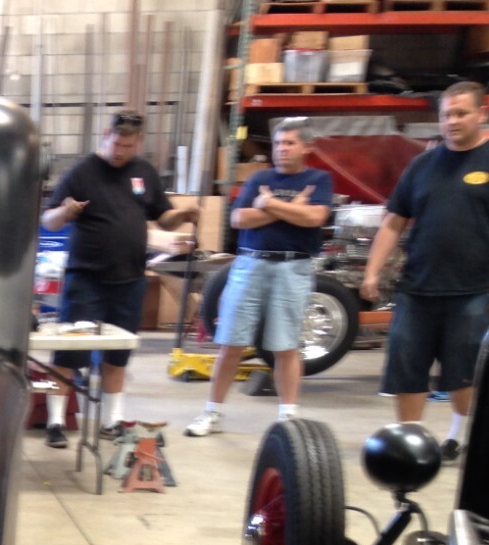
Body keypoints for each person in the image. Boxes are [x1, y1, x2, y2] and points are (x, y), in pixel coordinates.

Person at [40, 111, 200, 448]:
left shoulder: (144, 172)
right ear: (106, 134)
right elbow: (49, 220)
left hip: (129, 280)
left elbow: (164, 219)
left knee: (118, 355)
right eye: (116, 144)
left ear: (138, 141)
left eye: (128, 146)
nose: (120, 151)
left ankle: (111, 421)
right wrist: (66, 211)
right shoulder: (82, 171)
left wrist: (183, 214)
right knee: (69, 354)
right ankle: (55, 422)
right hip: (86, 279)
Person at [363, 80, 489, 462]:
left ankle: (460, 435)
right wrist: (373, 271)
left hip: (473, 291)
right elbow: (393, 222)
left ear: (482, 113)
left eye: (461, 113)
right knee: (406, 371)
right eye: (446, 115)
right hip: (416, 289)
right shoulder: (422, 165)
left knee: (464, 373)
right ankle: (411, 445)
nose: (452, 121)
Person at [185, 118, 333, 436]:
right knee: (231, 343)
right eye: (278, 143)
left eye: (289, 143)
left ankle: (288, 417)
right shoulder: (259, 178)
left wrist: (268, 203)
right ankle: (212, 413)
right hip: (250, 265)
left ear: (307, 147)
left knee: (285, 346)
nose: (282, 149)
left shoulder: (318, 180)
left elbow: (314, 218)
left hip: (293, 268)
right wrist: (289, 209)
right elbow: (239, 219)